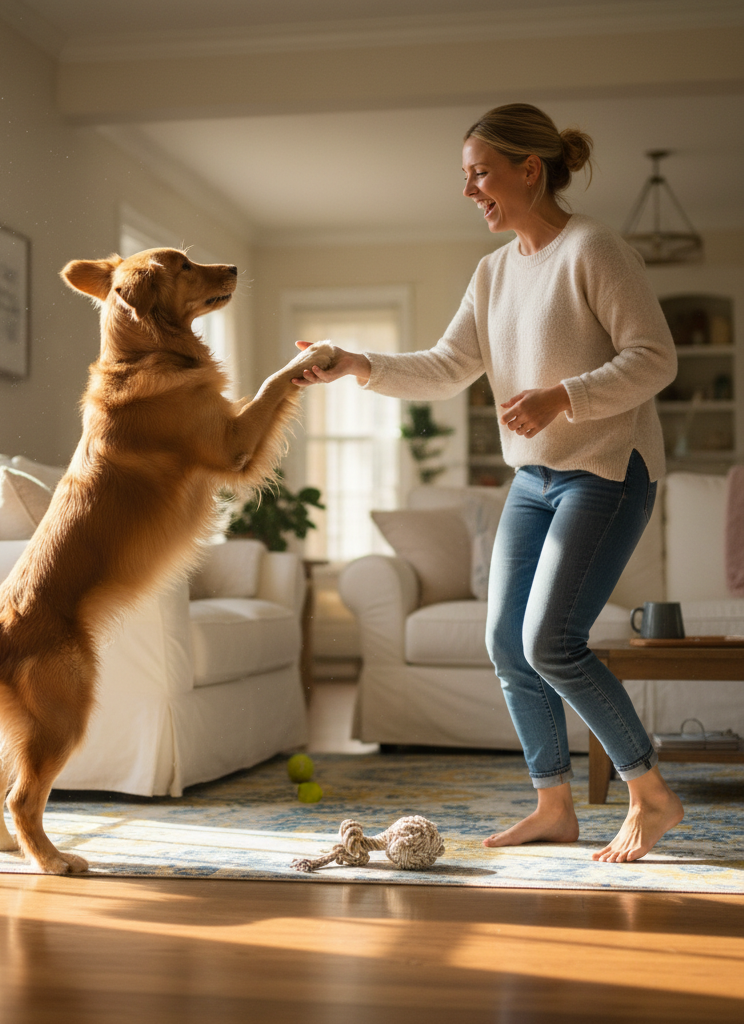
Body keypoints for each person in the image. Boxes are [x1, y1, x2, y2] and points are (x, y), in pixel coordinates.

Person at [292, 103, 683, 863]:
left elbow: (654, 358)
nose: (470, 191)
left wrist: (563, 395)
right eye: (466, 177)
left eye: (480, 174)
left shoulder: (594, 248)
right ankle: (554, 806)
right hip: (534, 480)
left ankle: (652, 793)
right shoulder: (493, 273)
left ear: (529, 170)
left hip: (605, 470)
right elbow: (444, 367)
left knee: (551, 641)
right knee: (506, 640)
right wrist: (356, 364)